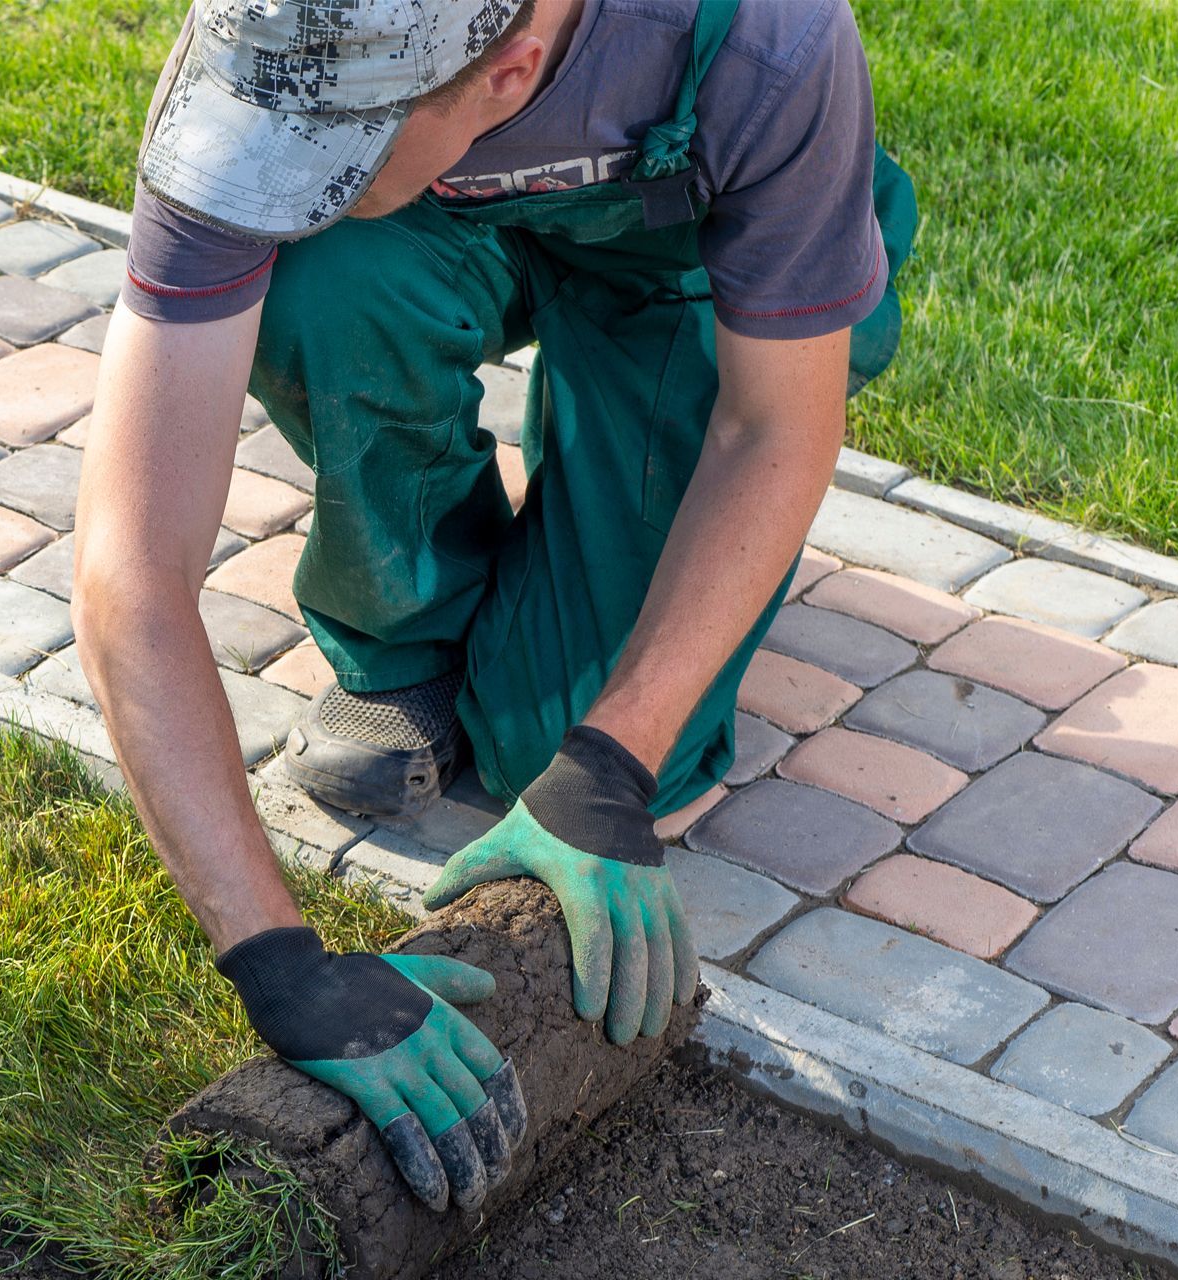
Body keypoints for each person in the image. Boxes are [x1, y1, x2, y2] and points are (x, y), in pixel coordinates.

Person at [73, 0, 917, 1215]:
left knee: (559, 747)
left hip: (677, 260)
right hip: (431, 229)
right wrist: (274, 958)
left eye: (332, 148)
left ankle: (597, 483)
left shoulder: (769, 39)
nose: (283, 169)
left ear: (512, 70)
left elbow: (777, 424)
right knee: (320, 273)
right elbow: (130, 568)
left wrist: (610, 766)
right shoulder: (271, 56)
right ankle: (402, 637)